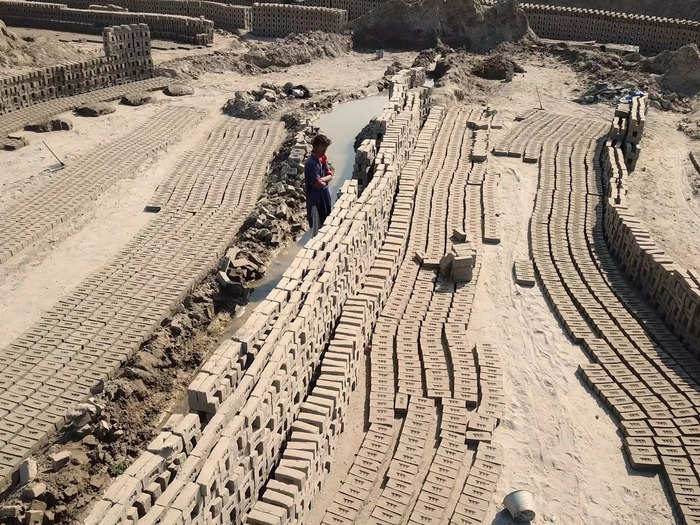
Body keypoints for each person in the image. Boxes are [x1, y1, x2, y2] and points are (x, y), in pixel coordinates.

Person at [304, 134, 334, 233]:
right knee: (317, 229)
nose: (325, 149)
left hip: (324, 197)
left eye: (326, 147)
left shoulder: (322, 159)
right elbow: (318, 184)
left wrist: (323, 179)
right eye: (323, 147)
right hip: (315, 201)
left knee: (326, 222)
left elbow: (330, 174)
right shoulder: (311, 163)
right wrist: (326, 180)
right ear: (316, 146)